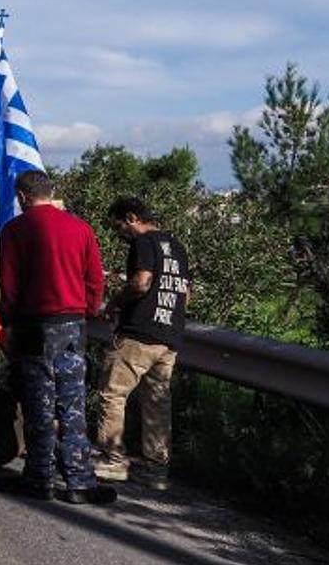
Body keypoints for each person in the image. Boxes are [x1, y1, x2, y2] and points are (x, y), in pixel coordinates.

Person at [0, 170, 116, 505]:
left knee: (39, 403)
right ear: (51, 192)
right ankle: (78, 480)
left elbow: (9, 285)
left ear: (22, 197)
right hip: (73, 324)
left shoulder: (16, 230)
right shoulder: (80, 228)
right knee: (72, 403)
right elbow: (95, 281)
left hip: (35, 325)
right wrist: (86, 309)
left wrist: (8, 321)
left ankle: (40, 477)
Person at [94, 197, 191, 491]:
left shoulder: (144, 242)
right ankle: (156, 469)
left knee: (112, 394)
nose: (118, 234)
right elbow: (186, 295)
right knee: (157, 402)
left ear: (132, 217)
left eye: (118, 226)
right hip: (169, 334)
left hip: (139, 333)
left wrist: (113, 304)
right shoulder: (178, 246)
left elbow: (142, 282)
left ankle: (113, 460)